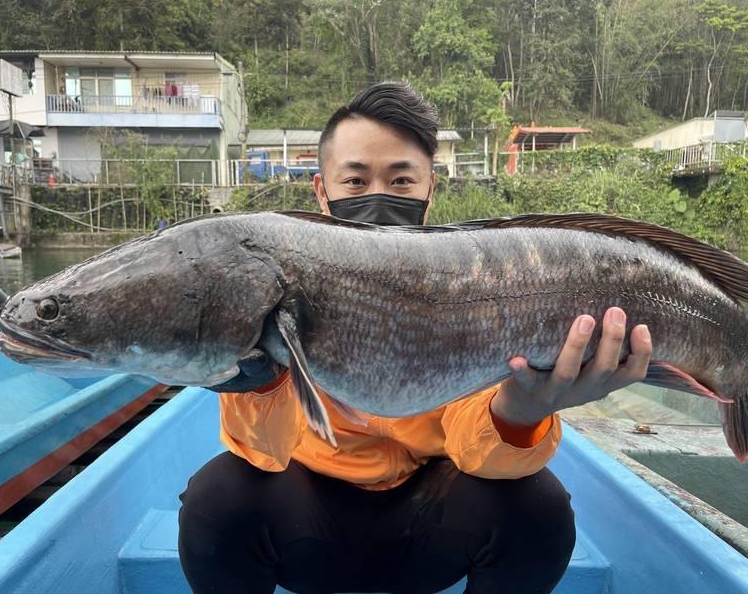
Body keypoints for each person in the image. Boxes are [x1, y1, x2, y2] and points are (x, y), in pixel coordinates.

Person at [178, 82, 653, 594]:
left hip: (431, 523)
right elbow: (265, 453)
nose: (378, 195)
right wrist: (258, 384)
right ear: (322, 191)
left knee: (540, 508)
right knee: (218, 498)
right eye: (355, 181)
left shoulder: (478, 282)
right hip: (308, 524)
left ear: (430, 189)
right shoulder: (274, 281)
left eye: (401, 180)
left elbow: (478, 456)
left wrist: (520, 411)